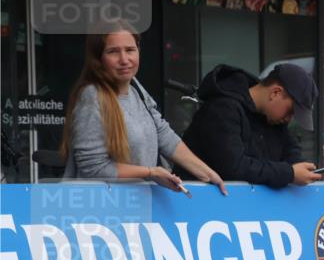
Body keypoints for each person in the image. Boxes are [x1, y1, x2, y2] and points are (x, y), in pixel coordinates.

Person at [61, 20, 226, 195]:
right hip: (100, 211)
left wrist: (208, 173)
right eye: (113, 52)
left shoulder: (137, 89)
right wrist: (150, 172)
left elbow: (164, 135)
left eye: (130, 50)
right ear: (98, 58)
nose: (124, 60)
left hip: (138, 206)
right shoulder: (91, 96)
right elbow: (93, 168)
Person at [177, 63, 323, 187]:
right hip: (197, 207)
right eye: (290, 111)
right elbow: (233, 168)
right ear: (276, 93)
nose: (289, 119)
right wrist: (289, 174)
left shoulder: (273, 119)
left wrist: (303, 170)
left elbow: (290, 153)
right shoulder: (222, 108)